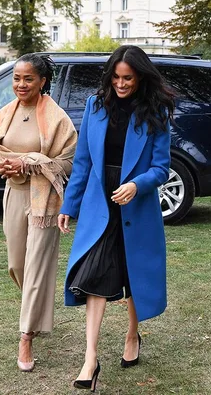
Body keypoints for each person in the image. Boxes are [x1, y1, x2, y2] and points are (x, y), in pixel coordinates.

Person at [58, 45, 174, 391]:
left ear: (140, 78)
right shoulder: (95, 106)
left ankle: (133, 335)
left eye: (128, 78)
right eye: (116, 77)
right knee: (94, 273)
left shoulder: (156, 113)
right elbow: (83, 162)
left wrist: (137, 186)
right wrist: (69, 205)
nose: (121, 84)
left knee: (134, 273)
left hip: (136, 205)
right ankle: (90, 358)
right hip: (99, 202)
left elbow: (161, 168)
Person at [0, 53, 77, 372]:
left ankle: (26, 336)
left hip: (45, 200)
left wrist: (29, 161)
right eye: (16, 78)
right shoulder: (4, 115)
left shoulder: (58, 119)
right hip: (14, 193)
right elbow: (0, 154)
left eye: (28, 79)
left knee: (38, 265)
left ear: (42, 81)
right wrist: (7, 166)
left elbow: (68, 162)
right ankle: (35, 310)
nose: (21, 84)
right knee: (17, 264)